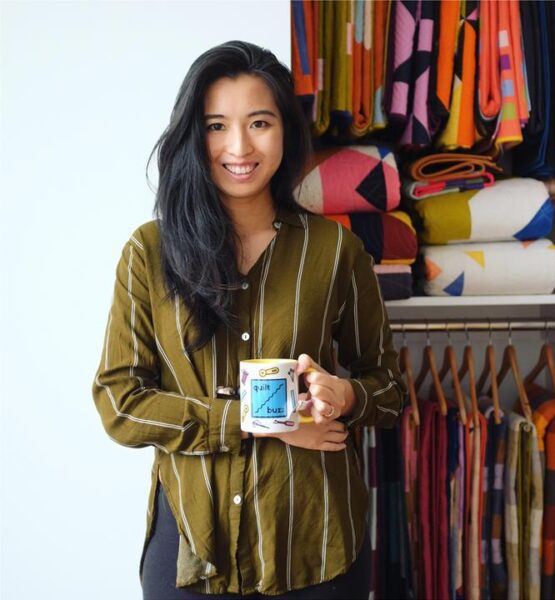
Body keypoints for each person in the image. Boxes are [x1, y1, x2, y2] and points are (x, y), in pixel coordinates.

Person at [92, 40, 405, 600]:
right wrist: (249, 421)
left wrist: (345, 397)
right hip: (191, 545)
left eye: (259, 122)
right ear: (194, 134)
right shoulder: (149, 252)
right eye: (217, 126)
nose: (239, 146)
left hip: (315, 545)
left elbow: (389, 388)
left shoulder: (334, 250)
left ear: (286, 130)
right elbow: (119, 404)